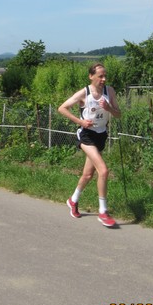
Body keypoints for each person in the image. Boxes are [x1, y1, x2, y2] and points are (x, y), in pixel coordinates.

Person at [58, 63, 121, 228]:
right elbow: (62, 108)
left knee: (87, 175)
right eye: (100, 76)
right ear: (91, 76)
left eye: (105, 76)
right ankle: (103, 211)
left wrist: (109, 108)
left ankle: (73, 200)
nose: (104, 79)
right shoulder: (84, 93)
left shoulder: (110, 91)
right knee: (104, 170)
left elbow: (119, 114)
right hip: (86, 135)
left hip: (101, 135)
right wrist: (80, 122)